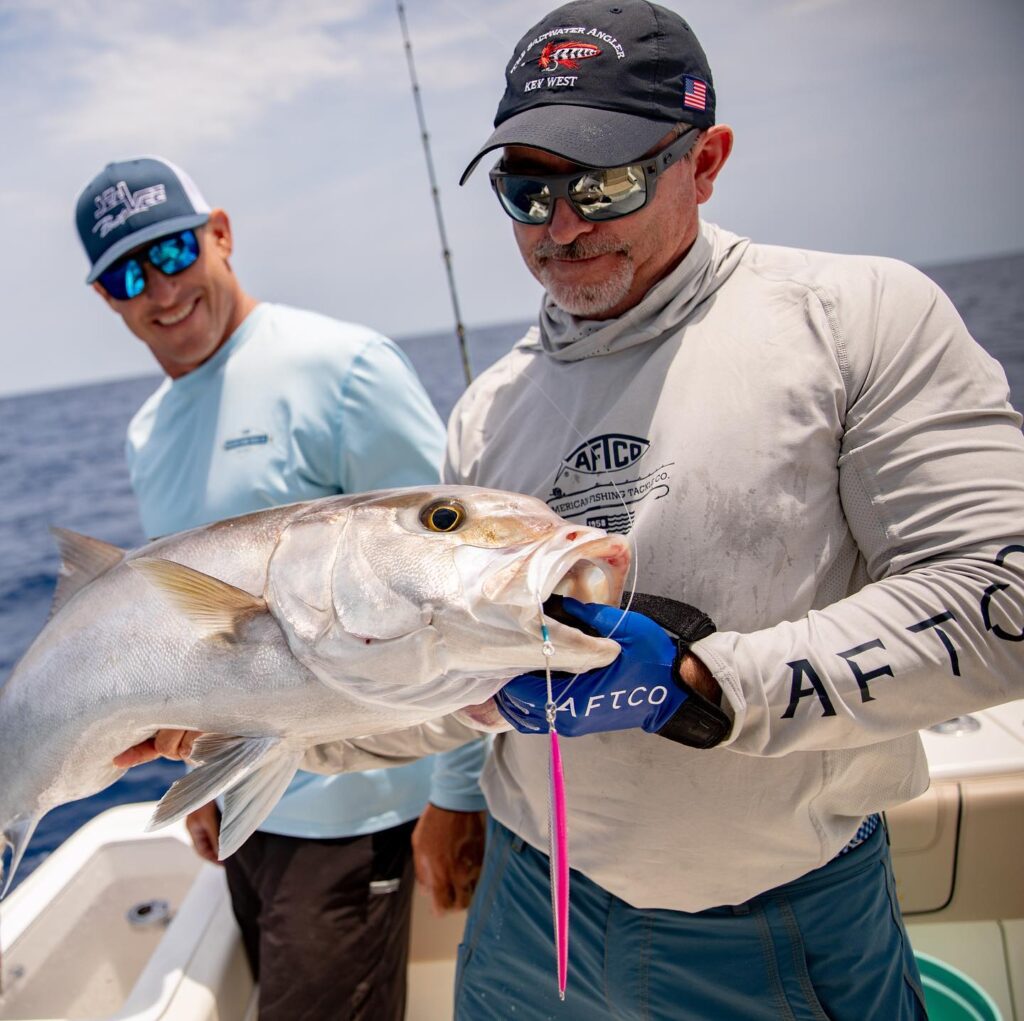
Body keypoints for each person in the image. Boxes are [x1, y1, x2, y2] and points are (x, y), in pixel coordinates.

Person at [288, 2, 1024, 1018]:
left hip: (772, 920)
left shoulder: (858, 317)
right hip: (525, 905)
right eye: (527, 188)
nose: (562, 224)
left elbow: (1002, 599)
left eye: (605, 181)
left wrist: (695, 683)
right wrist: (251, 725)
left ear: (706, 160)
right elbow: (438, 682)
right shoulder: (489, 410)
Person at [75, 155, 486, 1021]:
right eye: (126, 274)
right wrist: (206, 784)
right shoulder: (148, 431)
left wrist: (458, 794)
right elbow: (194, 643)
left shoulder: (345, 369)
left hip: (356, 814)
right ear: (107, 299)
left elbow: (460, 597)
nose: (160, 287)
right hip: (249, 814)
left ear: (220, 233)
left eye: (174, 250)